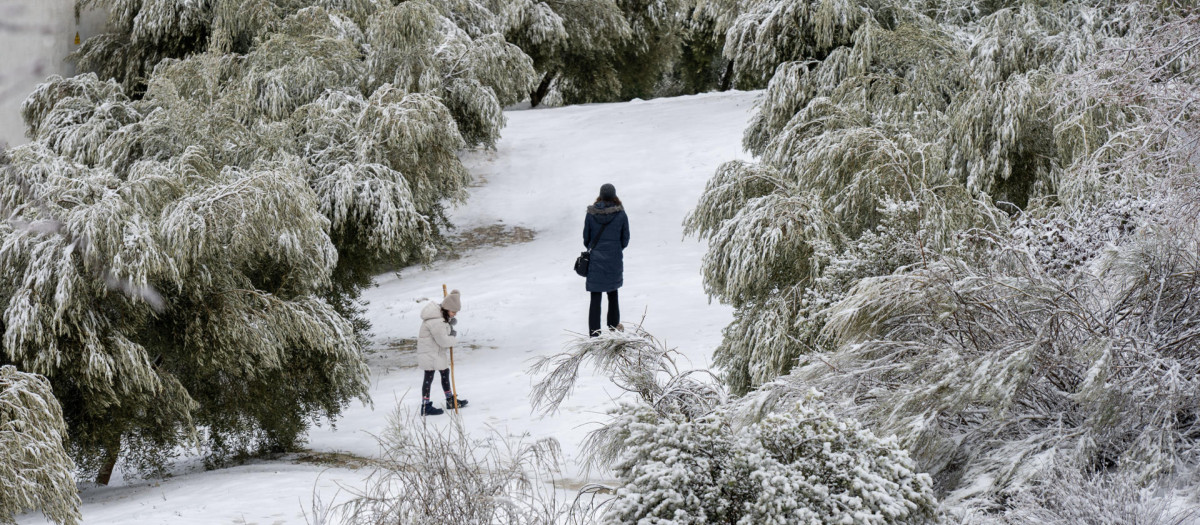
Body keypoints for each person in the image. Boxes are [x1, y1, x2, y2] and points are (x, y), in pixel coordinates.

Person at [583, 183, 630, 336]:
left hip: (596, 260)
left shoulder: (591, 214)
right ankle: (613, 327)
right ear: (614, 195)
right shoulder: (621, 214)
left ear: (601, 195)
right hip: (614, 260)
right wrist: (615, 249)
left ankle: (594, 333)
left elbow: (586, 238)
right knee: (613, 293)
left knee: (595, 296)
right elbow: (625, 239)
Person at [416, 289, 467, 416]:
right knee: (429, 376)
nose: (455, 314)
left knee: (445, 371)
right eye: (453, 312)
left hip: (434, 351)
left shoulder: (440, 317)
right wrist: (452, 337)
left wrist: (449, 324)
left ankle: (450, 400)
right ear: (446, 309)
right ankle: (425, 406)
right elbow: (443, 340)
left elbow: (442, 333)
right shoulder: (436, 321)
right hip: (430, 352)